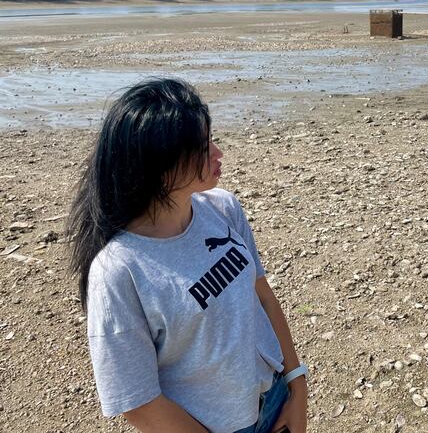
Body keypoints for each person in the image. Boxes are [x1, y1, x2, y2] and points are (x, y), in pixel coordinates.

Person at [68, 78, 307, 433]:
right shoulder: (119, 269)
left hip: (274, 401)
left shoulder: (223, 209)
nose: (218, 152)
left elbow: (264, 297)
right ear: (159, 167)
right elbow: (138, 402)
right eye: (201, 145)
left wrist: (297, 387)